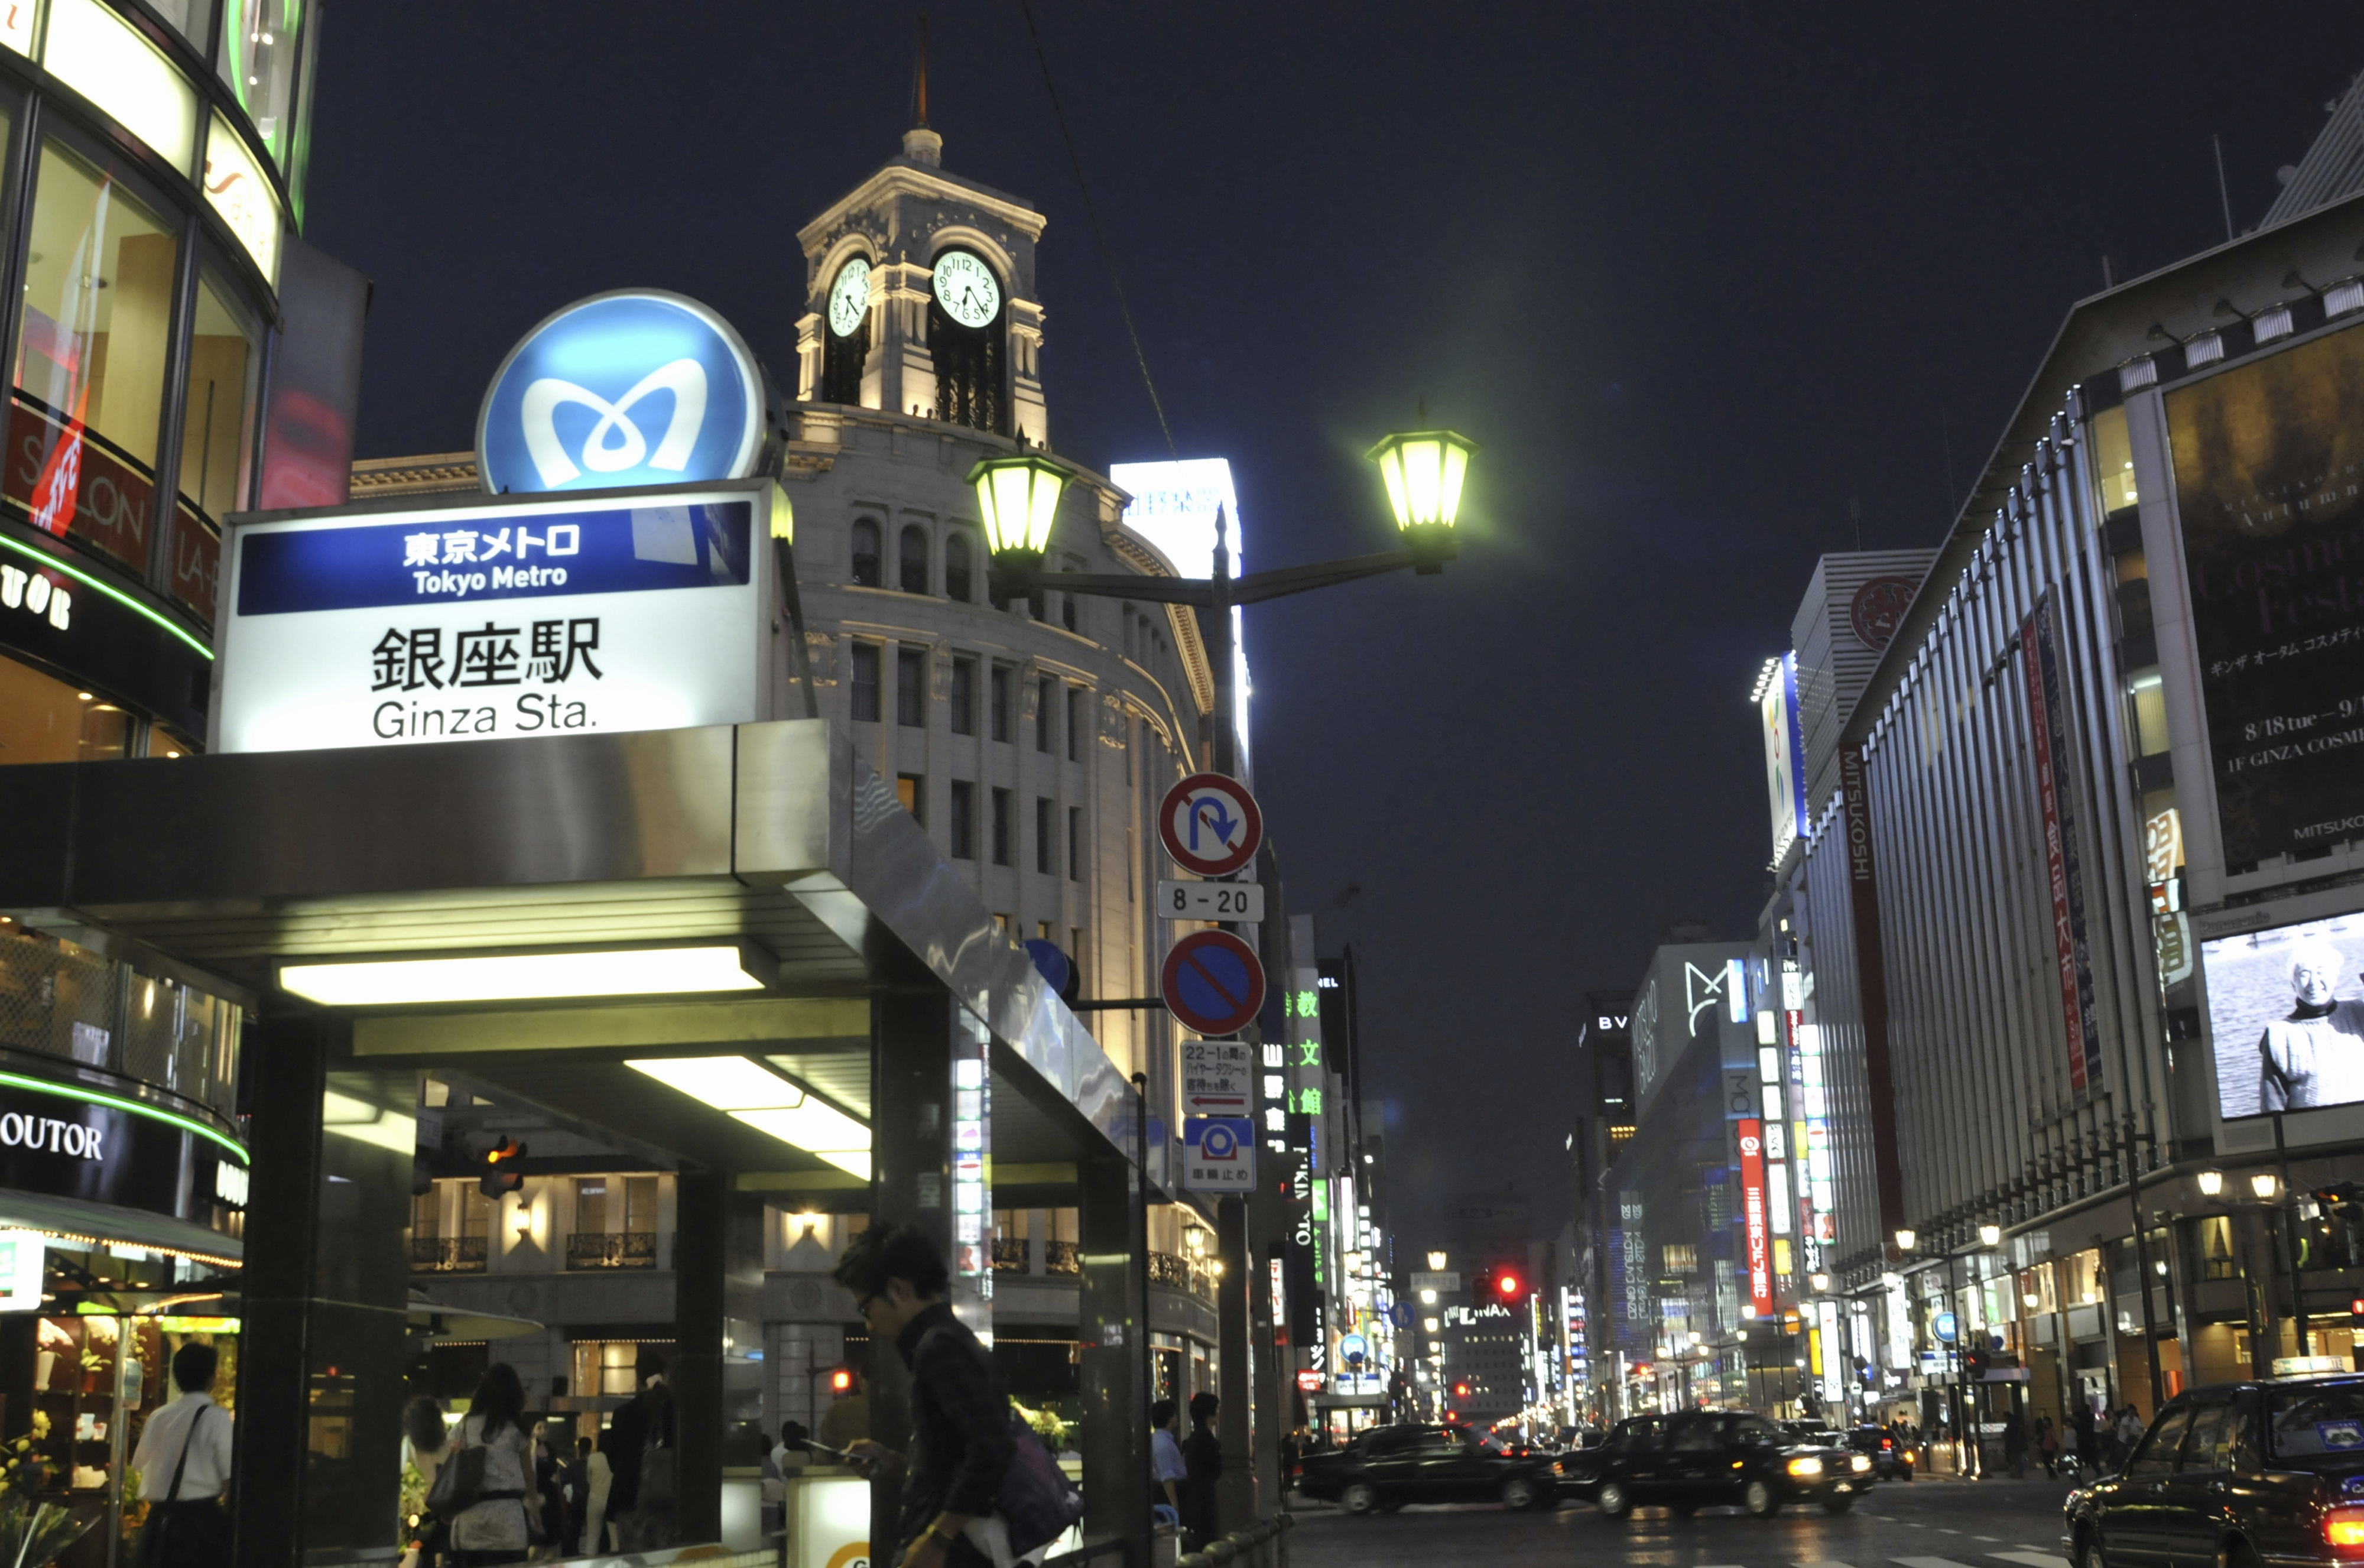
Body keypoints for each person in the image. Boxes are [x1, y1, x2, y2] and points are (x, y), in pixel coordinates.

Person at [833, 1222, 1017, 1568]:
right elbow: (956, 1459)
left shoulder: (940, 1347)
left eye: (865, 1308)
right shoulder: (953, 1340)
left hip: (956, 1556)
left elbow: (993, 1448)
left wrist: (938, 1540)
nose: (869, 1323)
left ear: (899, 1290)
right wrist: (894, 1461)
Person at [132, 1342, 236, 1568]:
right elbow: (231, 1478)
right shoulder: (217, 1418)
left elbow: (139, 1464)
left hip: (158, 1524)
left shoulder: (159, 1416)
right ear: (212, 1376)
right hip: (200, 1526)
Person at [447, 1362, 538, 1566]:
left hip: (471, 1516)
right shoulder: (518, 1429)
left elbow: (452, 1464)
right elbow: (529, 1476)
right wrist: (536, 1515)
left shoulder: (464, 1425)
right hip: (509, 1521)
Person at [2258, 939, 2364, 1110]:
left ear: (2336, 976)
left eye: (2321, 972)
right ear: (2293, 984)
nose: (2314, 982)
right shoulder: (2279, 1035)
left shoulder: (2358, 1011)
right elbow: (2272, 1108)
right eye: (2304, 974)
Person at [604, 1351, 677, 1551]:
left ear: (638, 1379)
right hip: (664, 1498)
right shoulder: (675, 1410)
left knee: (633, 1558)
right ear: (665, 1375)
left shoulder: (622, 1413)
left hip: (628, 1497)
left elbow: (613, 1459)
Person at [401, 1398, 452, 1568]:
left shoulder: (410, 1444)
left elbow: (405, 1479)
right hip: (441, 1513)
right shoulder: (445, 1446)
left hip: (416, 1516)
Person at [1180, 1392, 1221, 1549]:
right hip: (1205, 1502)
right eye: (1217, 1409)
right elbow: (1217, 1469)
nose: (1219, 1413)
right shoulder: (1207, 1441)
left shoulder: (1192, 1440)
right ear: (1208, 1413)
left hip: (1195, 1501)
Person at [818, 1362, 872, 1451]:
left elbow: (824, 1454)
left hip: (844, 1463)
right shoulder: (895, 1411)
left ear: (860, 1380)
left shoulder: (839, 1410)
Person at [1149, 1399, 1186, 1527]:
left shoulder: (1159, 1441)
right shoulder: (1164, 1445)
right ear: (1170, 1418)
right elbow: (1167, 1478)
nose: (1177, 1418)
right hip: (1169, 1497)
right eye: (1175, 1415)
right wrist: (1175, 1509)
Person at [581, 1430, 614, 1557]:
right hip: (611, 1500)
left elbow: (589, 1480)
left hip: (595, 1500)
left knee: (592, 1537)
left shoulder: (593, 1458)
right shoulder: (615, 1457)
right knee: (614, 1539)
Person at [562, 1437, 593, 1561]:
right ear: (590, 1449)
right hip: (590, 1502)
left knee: (574, 1532)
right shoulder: (591, 1465)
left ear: (578, 1448)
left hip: (576, 1502)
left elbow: (565, 1481)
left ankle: (572, 1557)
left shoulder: (573, 1465)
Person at [2003, 1408, 2027, 1479]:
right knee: (2016, 1459)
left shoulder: (2012, 1424)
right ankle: (2017, 1473)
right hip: (2014, 1443)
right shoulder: (2014, 1423)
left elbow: (2011, 1434)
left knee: (2015, 1459)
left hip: (2013, 1444)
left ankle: (2017, 1473)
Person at [2037, 1414, 2060, 1479]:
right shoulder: (2043, 1430)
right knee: (2046, 1462)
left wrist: (2054, 1446)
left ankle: (2053, 1474)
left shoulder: (2051, 1429)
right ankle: (2051, 1475)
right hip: (2044, 1446)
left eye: (2046, 1421)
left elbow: (2054, 1438)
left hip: (2049, 1447)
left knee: (2047, 1462)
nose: (2045, 1423)